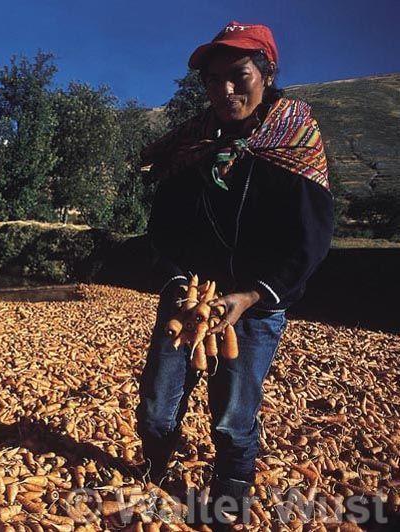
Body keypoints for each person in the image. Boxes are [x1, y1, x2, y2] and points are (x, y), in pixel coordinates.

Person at [135, 21, 334, 527]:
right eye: (212, 80)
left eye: (238, 75)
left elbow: (309, 241)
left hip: (256, 303)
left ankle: (229, 500)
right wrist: (178, 280)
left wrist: (251, 296)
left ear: (266, 73)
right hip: (189, 295)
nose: (224, 90)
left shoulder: (295, 142)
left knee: (232, 415)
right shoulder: (192, 146)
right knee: (158, 407)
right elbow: (162, 229)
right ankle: (155, 471)